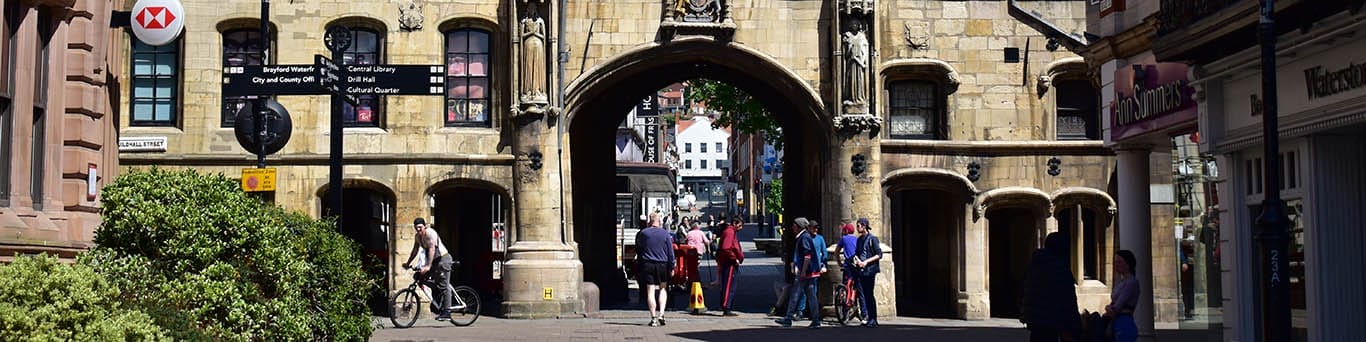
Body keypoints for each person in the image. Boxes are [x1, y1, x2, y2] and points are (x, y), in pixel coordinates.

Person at [1020, 232, 1081, 341]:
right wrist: (1074, 325)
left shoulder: (1035, 265)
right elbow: (1068, 299)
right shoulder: (1059, 268)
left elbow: (1026, 291)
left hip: (1035, 319)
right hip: (1052, 321)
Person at [776, 218, 826, 329]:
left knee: (795, 294)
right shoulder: (806, 237)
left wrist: (802, 271)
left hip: (806, 272)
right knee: (811, 296)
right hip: (811, 272)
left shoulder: (804, 238)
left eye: (794, 225)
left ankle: (788, 318)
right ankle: (816, 320)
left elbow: (807, 256)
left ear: (799, 227)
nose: (793, 228)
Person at [402, 217, 454, 321]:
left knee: (444, 286)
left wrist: (428, 266)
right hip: (434, 261)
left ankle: (447, 312)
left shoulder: (430, 233)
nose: (418, 230)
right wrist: (408, 263)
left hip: (443, 259)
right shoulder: (418, 237)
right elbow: (415, 250)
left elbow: (431, 249)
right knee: (419, 277)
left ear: (424, 226)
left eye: (420, 227)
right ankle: (437, 289)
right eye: (416, 228)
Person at [636, 213, 675, 327]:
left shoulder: (644, 233)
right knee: (663, 289)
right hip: (662, 264)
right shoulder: (665, 234)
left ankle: (653, 318)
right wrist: (672, 266)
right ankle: (661, 314)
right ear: (659, 221)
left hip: (648, 264)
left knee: (650, 291)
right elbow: (670, 252)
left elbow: (639, 249)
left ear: (650, 221)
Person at [851, 217, 883, 327]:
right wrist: (857, 260)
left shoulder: (872, 239)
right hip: (861, 271)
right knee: (864, 295)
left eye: (858, 226)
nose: (857, 228)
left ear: (864, 226)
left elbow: (879, 254)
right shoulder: (859, 240)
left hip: (870, 270)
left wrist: (866, 262)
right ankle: (868, 317)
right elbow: (857, 253)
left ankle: (873, 319)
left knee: (869, 294)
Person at [1106, 250, 1140, 342]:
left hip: (1124, 321)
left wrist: (1109, 308)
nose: (1116, 265)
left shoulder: (1131, 283)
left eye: (1119, 262)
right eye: (1115, 262)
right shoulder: (1122, 282)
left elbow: (1117, 306)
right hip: (1117, 321)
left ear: (1128, 264)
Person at [715, 216, 745, 316]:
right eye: (740, 225)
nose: (741, 228)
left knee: (729, 285)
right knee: (729, 285)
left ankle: (726, 305)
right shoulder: (730, 232)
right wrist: (734, 258)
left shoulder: (730, 232)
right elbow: (726, 248)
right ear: (735, 223)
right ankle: (726, 306)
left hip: (728, 262)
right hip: (729, 263)